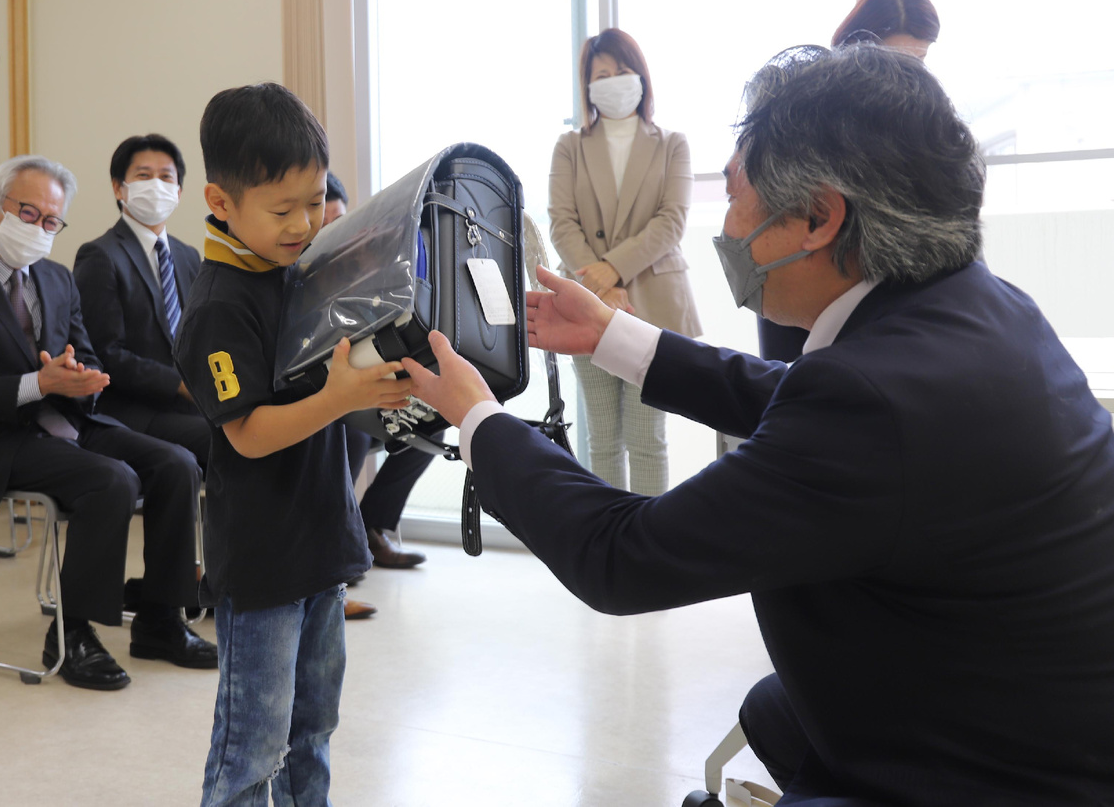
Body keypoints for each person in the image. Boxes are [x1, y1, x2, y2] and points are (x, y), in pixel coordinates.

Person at [400, 45, 1114, 805]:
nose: (730, 226)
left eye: (739, 193)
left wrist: (476, 417)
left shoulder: (868, 403)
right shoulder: (986, 307)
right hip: (1032, 714)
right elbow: (798, 396)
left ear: (819, 217)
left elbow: (620, 556)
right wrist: (611, 334)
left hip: (982, 772)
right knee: (774, 708)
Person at [173, 83, 412, 805]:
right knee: (253, 744)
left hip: (321, 542)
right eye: (283, 210)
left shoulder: (296, 272)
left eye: (315, 202)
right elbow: (247, 435)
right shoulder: (219, 306)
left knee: (314, 727)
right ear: (220, 202)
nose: (305, 223)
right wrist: (336, 398)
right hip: (263, 561)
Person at [0, 155, 217, 691]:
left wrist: (85, 378)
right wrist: (40, 384)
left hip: (66, 421)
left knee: (177, 463)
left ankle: (160, 620)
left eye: (51, 221)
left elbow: (91, 355)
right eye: (28, 213)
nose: (38, 229)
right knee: (111, 479)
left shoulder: (55, 277)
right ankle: (71, 631)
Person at [548, 27, 700, 496]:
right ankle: (608, 545)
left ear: (641, 77)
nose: (614, 81)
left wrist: (611, 271)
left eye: (623, 71)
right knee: (601, 440)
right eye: (602, 74)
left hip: (651, 306)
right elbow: (561, 223)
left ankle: (650, 547)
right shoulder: (569, 146)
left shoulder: (672, 143)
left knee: (648, 439)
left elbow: (671, 221)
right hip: (585, 302)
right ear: (588, 86)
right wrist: (602, 287)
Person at [758, 0, 941, 363]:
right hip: (804, 286)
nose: (905, 80)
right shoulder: (802, 112)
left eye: (918, 63)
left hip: (882, 310)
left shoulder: (922, 128)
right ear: (853, 52)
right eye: (892, 62)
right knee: (792, 395)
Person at [74, 133, 210, 468]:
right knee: (232, 440)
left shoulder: (188, 255)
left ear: (178, 192)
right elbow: (106, 352)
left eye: (166, 177)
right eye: (144, 175)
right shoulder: (100, 255)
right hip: (133, 412)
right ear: (119, 189)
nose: (156, 185)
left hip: (193, 406)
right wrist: (179, 384)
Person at [325, 170, 431, 577]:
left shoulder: (365, 265)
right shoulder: (303, 272)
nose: (339, 232)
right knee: (349, 432)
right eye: (328, 222)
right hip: (332, 396)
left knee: (430, 423)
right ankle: (337, 547)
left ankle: (371, 527)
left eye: (342, 221)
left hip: (371, 385)